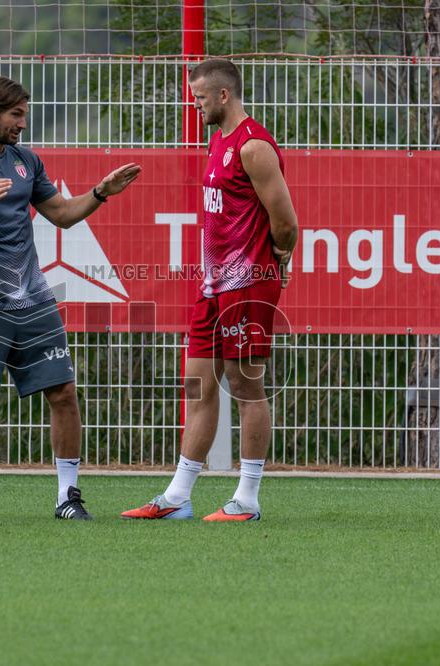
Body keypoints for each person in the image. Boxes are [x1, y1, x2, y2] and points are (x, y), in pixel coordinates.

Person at [0, 76, 140, 520]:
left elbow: (63, 215)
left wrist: (99, 193)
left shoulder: (26, 161)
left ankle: (68, 498)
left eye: (25, 113)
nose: (23, 122)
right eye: (16, 114)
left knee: (64, 393)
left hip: (33, 302)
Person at [122, 59, 298, 522]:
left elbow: (286, 221)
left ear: (223, 96)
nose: (194, 104)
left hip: (247, 283)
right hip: (212, 284)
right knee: (198, 384)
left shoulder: (254, 146)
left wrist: (280, 259)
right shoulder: (216, 140)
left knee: (245, 385)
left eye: (199, 97)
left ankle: (248, 499)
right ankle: (178, 497)